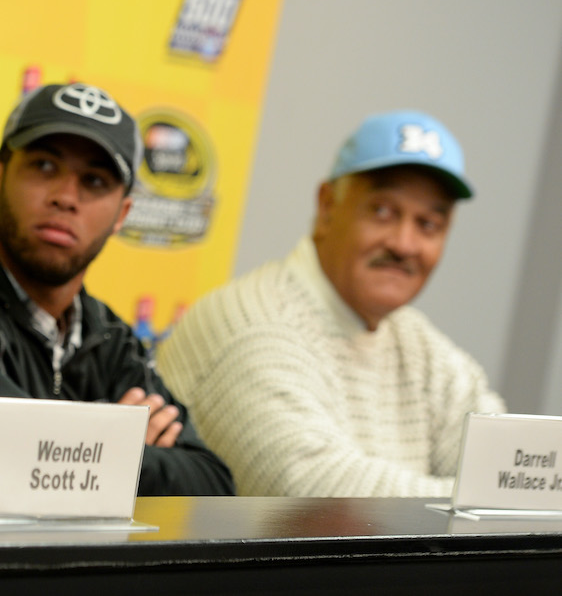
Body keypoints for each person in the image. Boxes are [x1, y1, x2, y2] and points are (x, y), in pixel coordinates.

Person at [0, 83, 235, 498]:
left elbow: (212, 484)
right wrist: (118, 440)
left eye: (94, 181)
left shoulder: (107, 333)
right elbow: (15, 475)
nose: (65, 197)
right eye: (44, 166)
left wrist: (78, 450)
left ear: (122, 214)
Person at [156, 110, 506, 497]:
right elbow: (313, 497)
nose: (404, 244)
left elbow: (511, 465)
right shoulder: (254, 324)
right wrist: (492, 498)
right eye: (383, 211)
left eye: (428, 225)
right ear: (327, 207)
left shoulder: (419, 344)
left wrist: (511, 492)